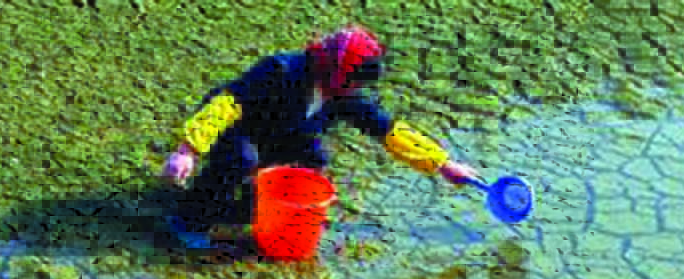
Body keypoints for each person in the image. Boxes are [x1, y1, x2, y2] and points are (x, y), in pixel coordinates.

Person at [160, 24, 481, 250]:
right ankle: (189, 220)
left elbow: (387, 130)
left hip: (284, 131)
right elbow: (226, 105)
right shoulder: (279, 71)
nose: (356, 90)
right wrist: (188, 150)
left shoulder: (345, 95)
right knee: (242, 159)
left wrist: (443, 164)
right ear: (335, 70)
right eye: (353, 82)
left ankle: (244, 213)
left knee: (313, 159)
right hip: (238, 127)